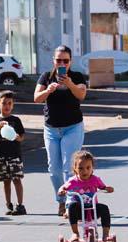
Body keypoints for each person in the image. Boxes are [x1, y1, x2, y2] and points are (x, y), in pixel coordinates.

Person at [33, 45, 87, 216]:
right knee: (53, 169)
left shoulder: (77, 76)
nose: (62, 63)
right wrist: (48, 91)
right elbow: (36, 98)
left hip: (73, 127)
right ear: (53, 61)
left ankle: (71, 202)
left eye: (65, 60)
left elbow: (81, 95)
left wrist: (69, 84)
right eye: (58, 60)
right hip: (51, 129)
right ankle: (61, 200)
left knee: (68, 166)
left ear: (71, 61)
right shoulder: (46, 77)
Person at [58, 150, 114, 242]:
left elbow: (103, 187)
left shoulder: (95, 179)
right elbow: (64, 187)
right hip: (79, 210)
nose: (85, 171)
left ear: (92, 168)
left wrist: (107, 188)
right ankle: (75, 233)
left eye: (88, 167)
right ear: (75, 168)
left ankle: (105, 235)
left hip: (93, 209)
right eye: (81, 168)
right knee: (72, 206)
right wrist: (61, 190)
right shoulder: (73, 181)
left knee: (104, 208)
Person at [0, 90, 26, 216]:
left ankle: (20, 205)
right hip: (1, 156)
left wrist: (15, 137)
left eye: (9, 103)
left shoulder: (15, 120)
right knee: (6, 181)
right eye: (4, 103)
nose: (7, 106)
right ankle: (8, 204)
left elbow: (21, 137)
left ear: (13, 105)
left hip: (14, 155)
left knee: (17, 180)